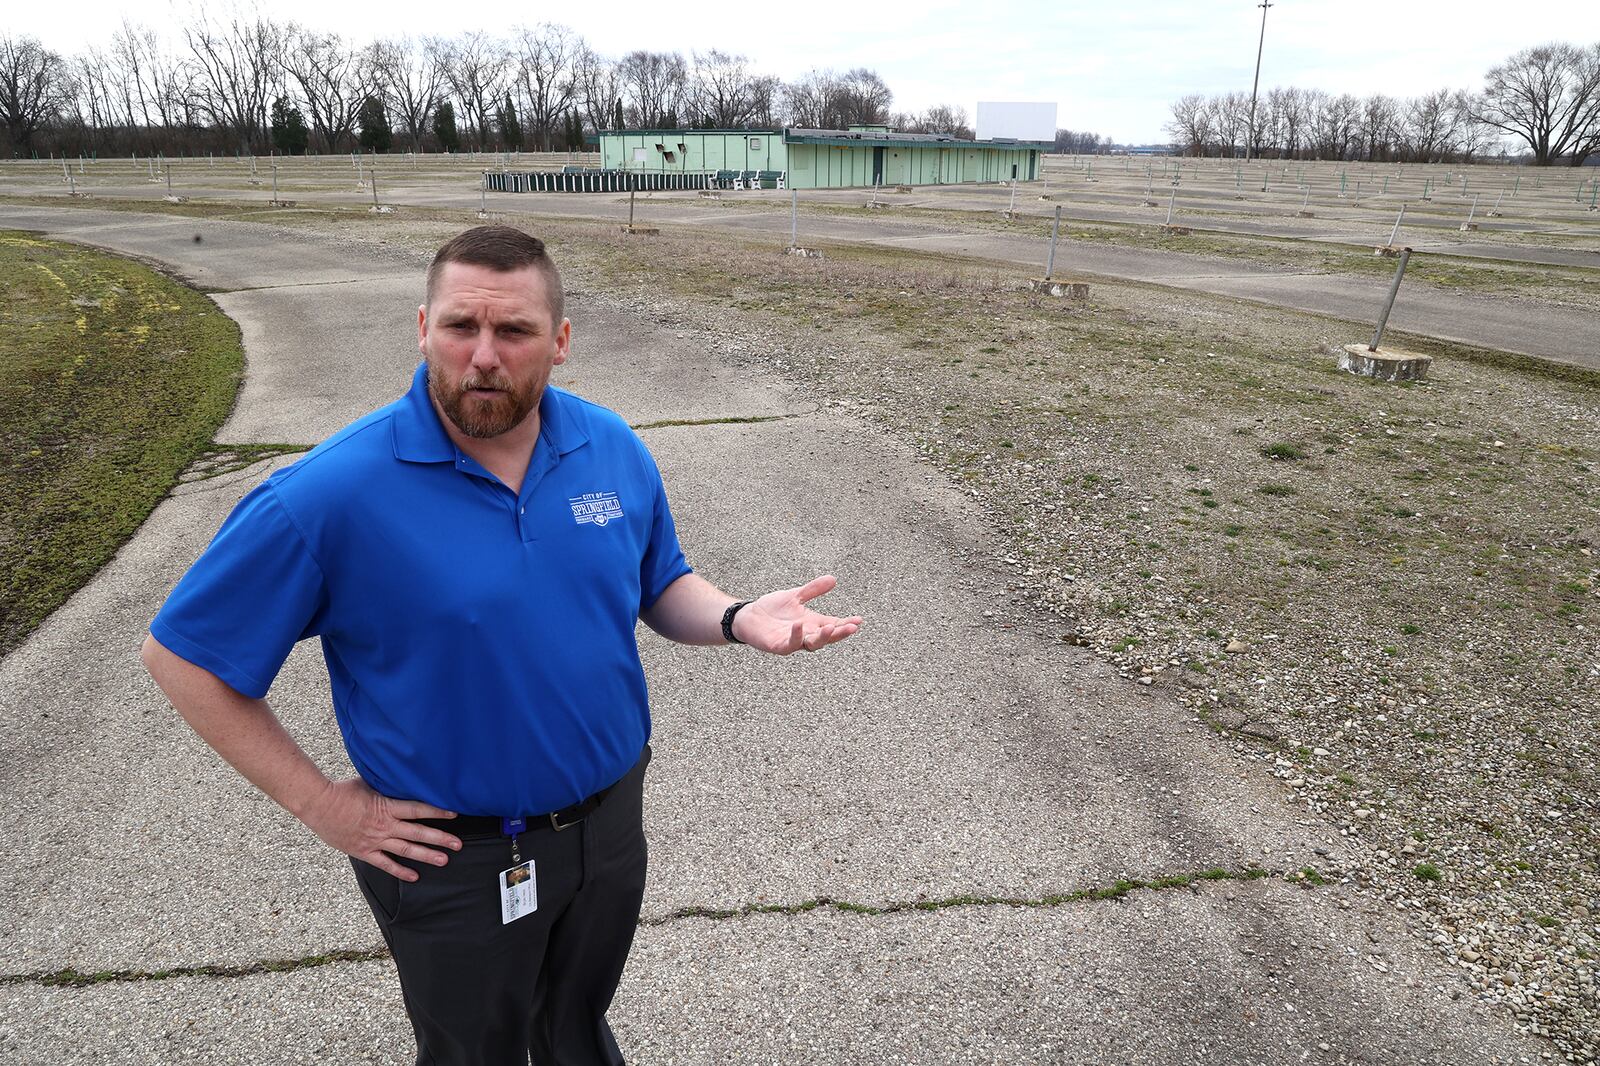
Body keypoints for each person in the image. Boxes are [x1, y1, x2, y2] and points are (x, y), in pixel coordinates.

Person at [141, 225, 862, 1065]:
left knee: (576, 1030)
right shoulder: (331, 492)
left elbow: (659, 584)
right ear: (422, 329)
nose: (483, 356)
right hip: (454, 859)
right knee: (473, 1051)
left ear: (558, 343)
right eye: (460, 327)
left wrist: (739, 616)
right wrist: (325, 806)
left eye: (513, 331)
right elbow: (182, 655)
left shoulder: (608, 445)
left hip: (608, 827)